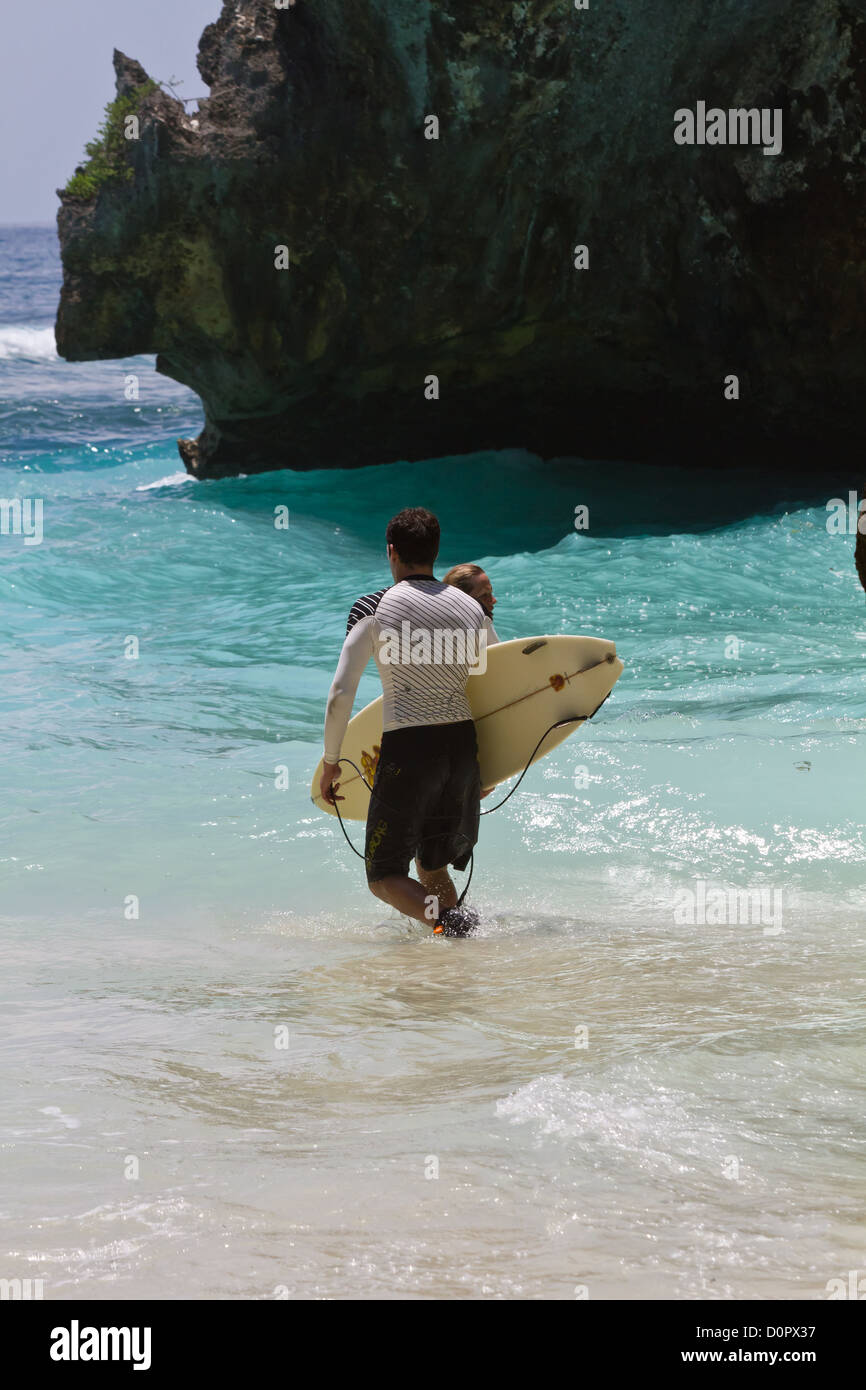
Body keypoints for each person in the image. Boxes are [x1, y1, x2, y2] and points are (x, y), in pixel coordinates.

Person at [319, 509, 496, 937]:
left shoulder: (374, 607)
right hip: (462, 749)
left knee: (383, 876)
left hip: (410, 751)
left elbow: (342, 692)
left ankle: (459, 926)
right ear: (435, 552)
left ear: (392, 552)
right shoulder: (471, 608)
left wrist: (331, 762)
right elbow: (495, 686)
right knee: (432, 867)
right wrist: (492, 765)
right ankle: (456, 959)